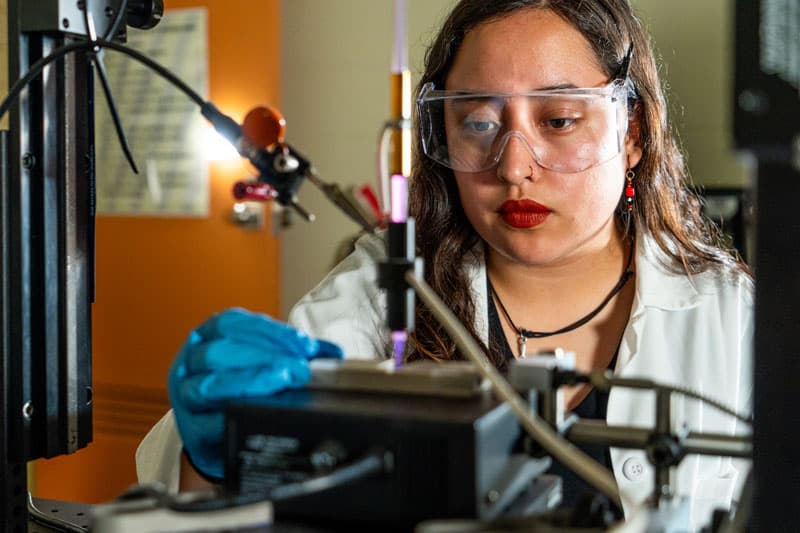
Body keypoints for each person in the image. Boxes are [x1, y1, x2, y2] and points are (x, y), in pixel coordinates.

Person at [136, 0, 753, 530]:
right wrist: (213, 454)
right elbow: (211, 507)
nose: (513, 166)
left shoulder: (734, 320)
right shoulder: (383, 292)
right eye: (478, 123)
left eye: (559, 120)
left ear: (633, 132)